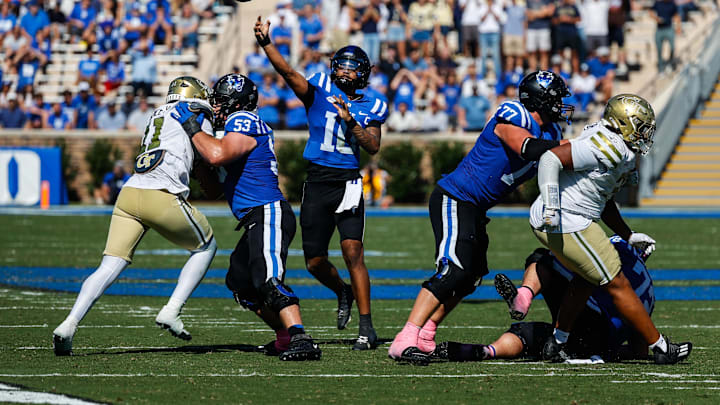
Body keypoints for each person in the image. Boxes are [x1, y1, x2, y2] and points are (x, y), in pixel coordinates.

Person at [388, 71, 571, 365]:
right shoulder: (515, 115)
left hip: (476, 208)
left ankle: (425, 335)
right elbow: (525, 146)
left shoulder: (551, 134)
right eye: (555, 98)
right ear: (538, 99)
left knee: (469, 278)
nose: (561, 104)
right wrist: (572, 147)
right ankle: (404, 339)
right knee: (453, 270)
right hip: (456, 197)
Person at [53, 77, 218, 356]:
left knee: (108, 266)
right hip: (162, 193)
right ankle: (172, 309)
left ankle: (69, 324)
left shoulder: (157, 113)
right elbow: (209, 151)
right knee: (206, 246)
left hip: (130, 193)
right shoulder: (197, 112)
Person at [255, 17, 389, 350]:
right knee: (314, 261)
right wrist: (267, 43)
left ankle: (366, 327)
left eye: (351, 68)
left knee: (352, 251)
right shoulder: (317, 90)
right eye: (340, 66)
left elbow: (372, 146)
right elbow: (288, 74)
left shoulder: (371, 104)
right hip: (317, 180)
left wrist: (351, 121)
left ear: (363, 73)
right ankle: (342, 290)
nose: (344, 72)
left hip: (348, 182)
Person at [529, 94, 691, 364]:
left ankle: (556, 344)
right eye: (640, 125)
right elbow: (549, 159)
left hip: (577, 218)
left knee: (587, 277)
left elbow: (600, 198)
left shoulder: (622, 150)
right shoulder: (605, 145)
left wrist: (628, 234)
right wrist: (551, 205)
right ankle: (661, 347)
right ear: (622, 122)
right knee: (616, 280)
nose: (644, 133)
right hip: (563, 218)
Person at [171, 73, 321, 361]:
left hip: (268, 211)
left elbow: (218, 155)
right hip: (254, 217)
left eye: (221, 102)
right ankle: (284, 337)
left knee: (269, 279)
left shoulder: (244, 120)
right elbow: (214, 187)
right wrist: (197, 159)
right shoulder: (229, 128)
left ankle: (301, 338)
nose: (215, 108)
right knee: (240, 283)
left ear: (237, 103)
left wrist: (191, 127)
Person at [441, 236, 657, 362]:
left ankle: (523, 298)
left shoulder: (613, 248)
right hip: (598, 342)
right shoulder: (648, 291)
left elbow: (575, 267)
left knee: (543, 258)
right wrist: (609, 353)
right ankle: (489, 350)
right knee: (539, 336)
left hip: (588, 320)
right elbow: (639, 349)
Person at [650, 0, 681, 74]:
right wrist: (656, 19)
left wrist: (678, 27)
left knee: (672, 47)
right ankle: (661, 68)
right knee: (659, 49)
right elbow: (650, 12)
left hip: (669, 28)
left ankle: (670, 63)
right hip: (659, 29)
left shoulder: (672, 4)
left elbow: (676, 15)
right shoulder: (658, 3)